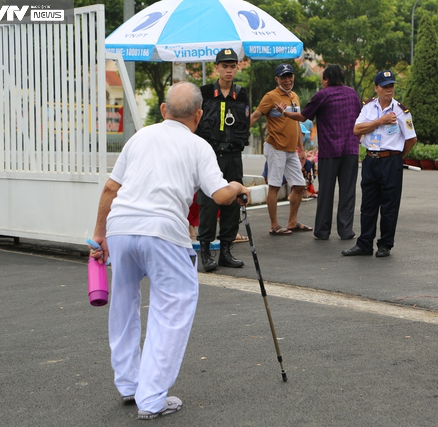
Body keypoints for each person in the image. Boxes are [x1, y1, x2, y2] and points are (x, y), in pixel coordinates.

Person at [89, 82, 250, 420]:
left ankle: (130, 384)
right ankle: (151, 399)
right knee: (173, 306)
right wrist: (237, 186)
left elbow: (110, 188)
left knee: (123, 303)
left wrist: (100, 234)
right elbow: (220, 195)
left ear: (164, 110)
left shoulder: (140, 137)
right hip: (163, 231)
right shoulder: (198, 145)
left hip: (120, 227)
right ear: (199, 114)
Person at [275, 64, 361, 240]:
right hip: (351, 150)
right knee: (347, 192)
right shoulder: (352, 93)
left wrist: (285, 113)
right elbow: (360, 116)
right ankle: (346, 231)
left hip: (330, 151)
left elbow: (303, 116)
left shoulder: (323, 95)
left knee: (326, 192)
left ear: (327, 79)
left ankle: (322, 230)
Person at [342, 70, 417, 257]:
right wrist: (381, 121)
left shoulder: (401, 110)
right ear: (376, 88)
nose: (389, 90)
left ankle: (385, 244)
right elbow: (357, 129)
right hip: (371, 159)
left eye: (391, 86)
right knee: (368, 204)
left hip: (391, 161)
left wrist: (398, 156)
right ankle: (364, 244)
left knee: (389, 205)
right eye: (385, 86)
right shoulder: (368, 108)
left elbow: (411, 139)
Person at [195, 48, 250, 272]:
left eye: (232, 66)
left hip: (233, 156)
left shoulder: (241, 93)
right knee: (209, 203)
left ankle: (226, 250)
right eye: (224, 66)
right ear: (216, 68)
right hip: (210, 156)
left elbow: (245, 125)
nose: (228, 70)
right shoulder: (205, 92)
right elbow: (196, 122)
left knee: (233, 203)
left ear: (237, 68)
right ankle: (206, 252)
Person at [250, 63, 313, 236]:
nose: (287, 80)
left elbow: (297, 125)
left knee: (300, 185)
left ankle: (292, 222)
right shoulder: (270, 96)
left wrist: (301, 149)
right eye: (283, 77)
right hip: (276, 147)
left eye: (290, 76)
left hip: (292, 150)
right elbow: (256, 115)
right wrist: (239, 133)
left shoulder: (295, 96)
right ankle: (274, 225)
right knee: (275, 186)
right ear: (277, 79)